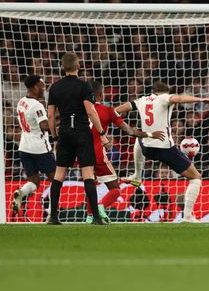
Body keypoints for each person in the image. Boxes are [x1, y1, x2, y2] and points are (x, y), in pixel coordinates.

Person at [115, 81, 209, 222]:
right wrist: (201, 99)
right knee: (195, 177)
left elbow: (124, 107)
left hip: (147, 149)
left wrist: (111, 113)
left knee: (139, 138)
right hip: (164, 148)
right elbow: (178, 99)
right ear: (165, 92)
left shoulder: (142, 100)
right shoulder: (164, 98)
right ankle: (187, 216)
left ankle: (137, 175)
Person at [85, 80, 165, 224]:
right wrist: (149, 135)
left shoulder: (78, 111)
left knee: (89, 184)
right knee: (115, 189)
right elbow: (128, 130)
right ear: (100, 94)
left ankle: (90, 216)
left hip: (80, 154)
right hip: (97, 154)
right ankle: (100, 207)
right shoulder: (106, 111)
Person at [46, 53, 110, 225]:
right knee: (88, 173)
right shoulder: (84, 86)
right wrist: (102, 134)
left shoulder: (55, 87)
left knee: (59, 174)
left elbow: (51, 115)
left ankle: (53, 216)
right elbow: (91, 111)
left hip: (65, 132)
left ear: (62, 67)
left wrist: (54, 136)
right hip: (82, 132)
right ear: (78, 66)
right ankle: (96, 217)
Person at [11, 75, 55, 218]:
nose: (44, 87)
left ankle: (21, 192)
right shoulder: (37, 105)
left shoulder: (21, 102)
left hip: (24, 147)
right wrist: (58, 121)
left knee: (34, 181)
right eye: (42, 85)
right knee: (55, 180)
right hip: (40, 149)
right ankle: (51, 213)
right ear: (35, 86)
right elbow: (44, 126)